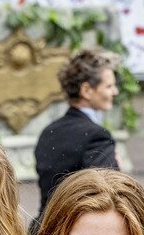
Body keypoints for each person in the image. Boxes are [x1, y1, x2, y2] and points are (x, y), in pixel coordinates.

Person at [34, 49, 119, 217]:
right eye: (109, 86)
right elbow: (108, 195)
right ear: (86, 90)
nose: (115, 92)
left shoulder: (49, 131)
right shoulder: (97, 136)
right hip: (74, 233)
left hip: (42, 230)